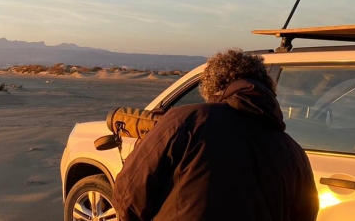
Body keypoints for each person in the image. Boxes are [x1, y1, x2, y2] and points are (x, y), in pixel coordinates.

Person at [111, 49, 318, 221]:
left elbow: (129, 196)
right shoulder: (293, 151)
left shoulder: (186, 121)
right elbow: (306, 214)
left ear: (212, 85)